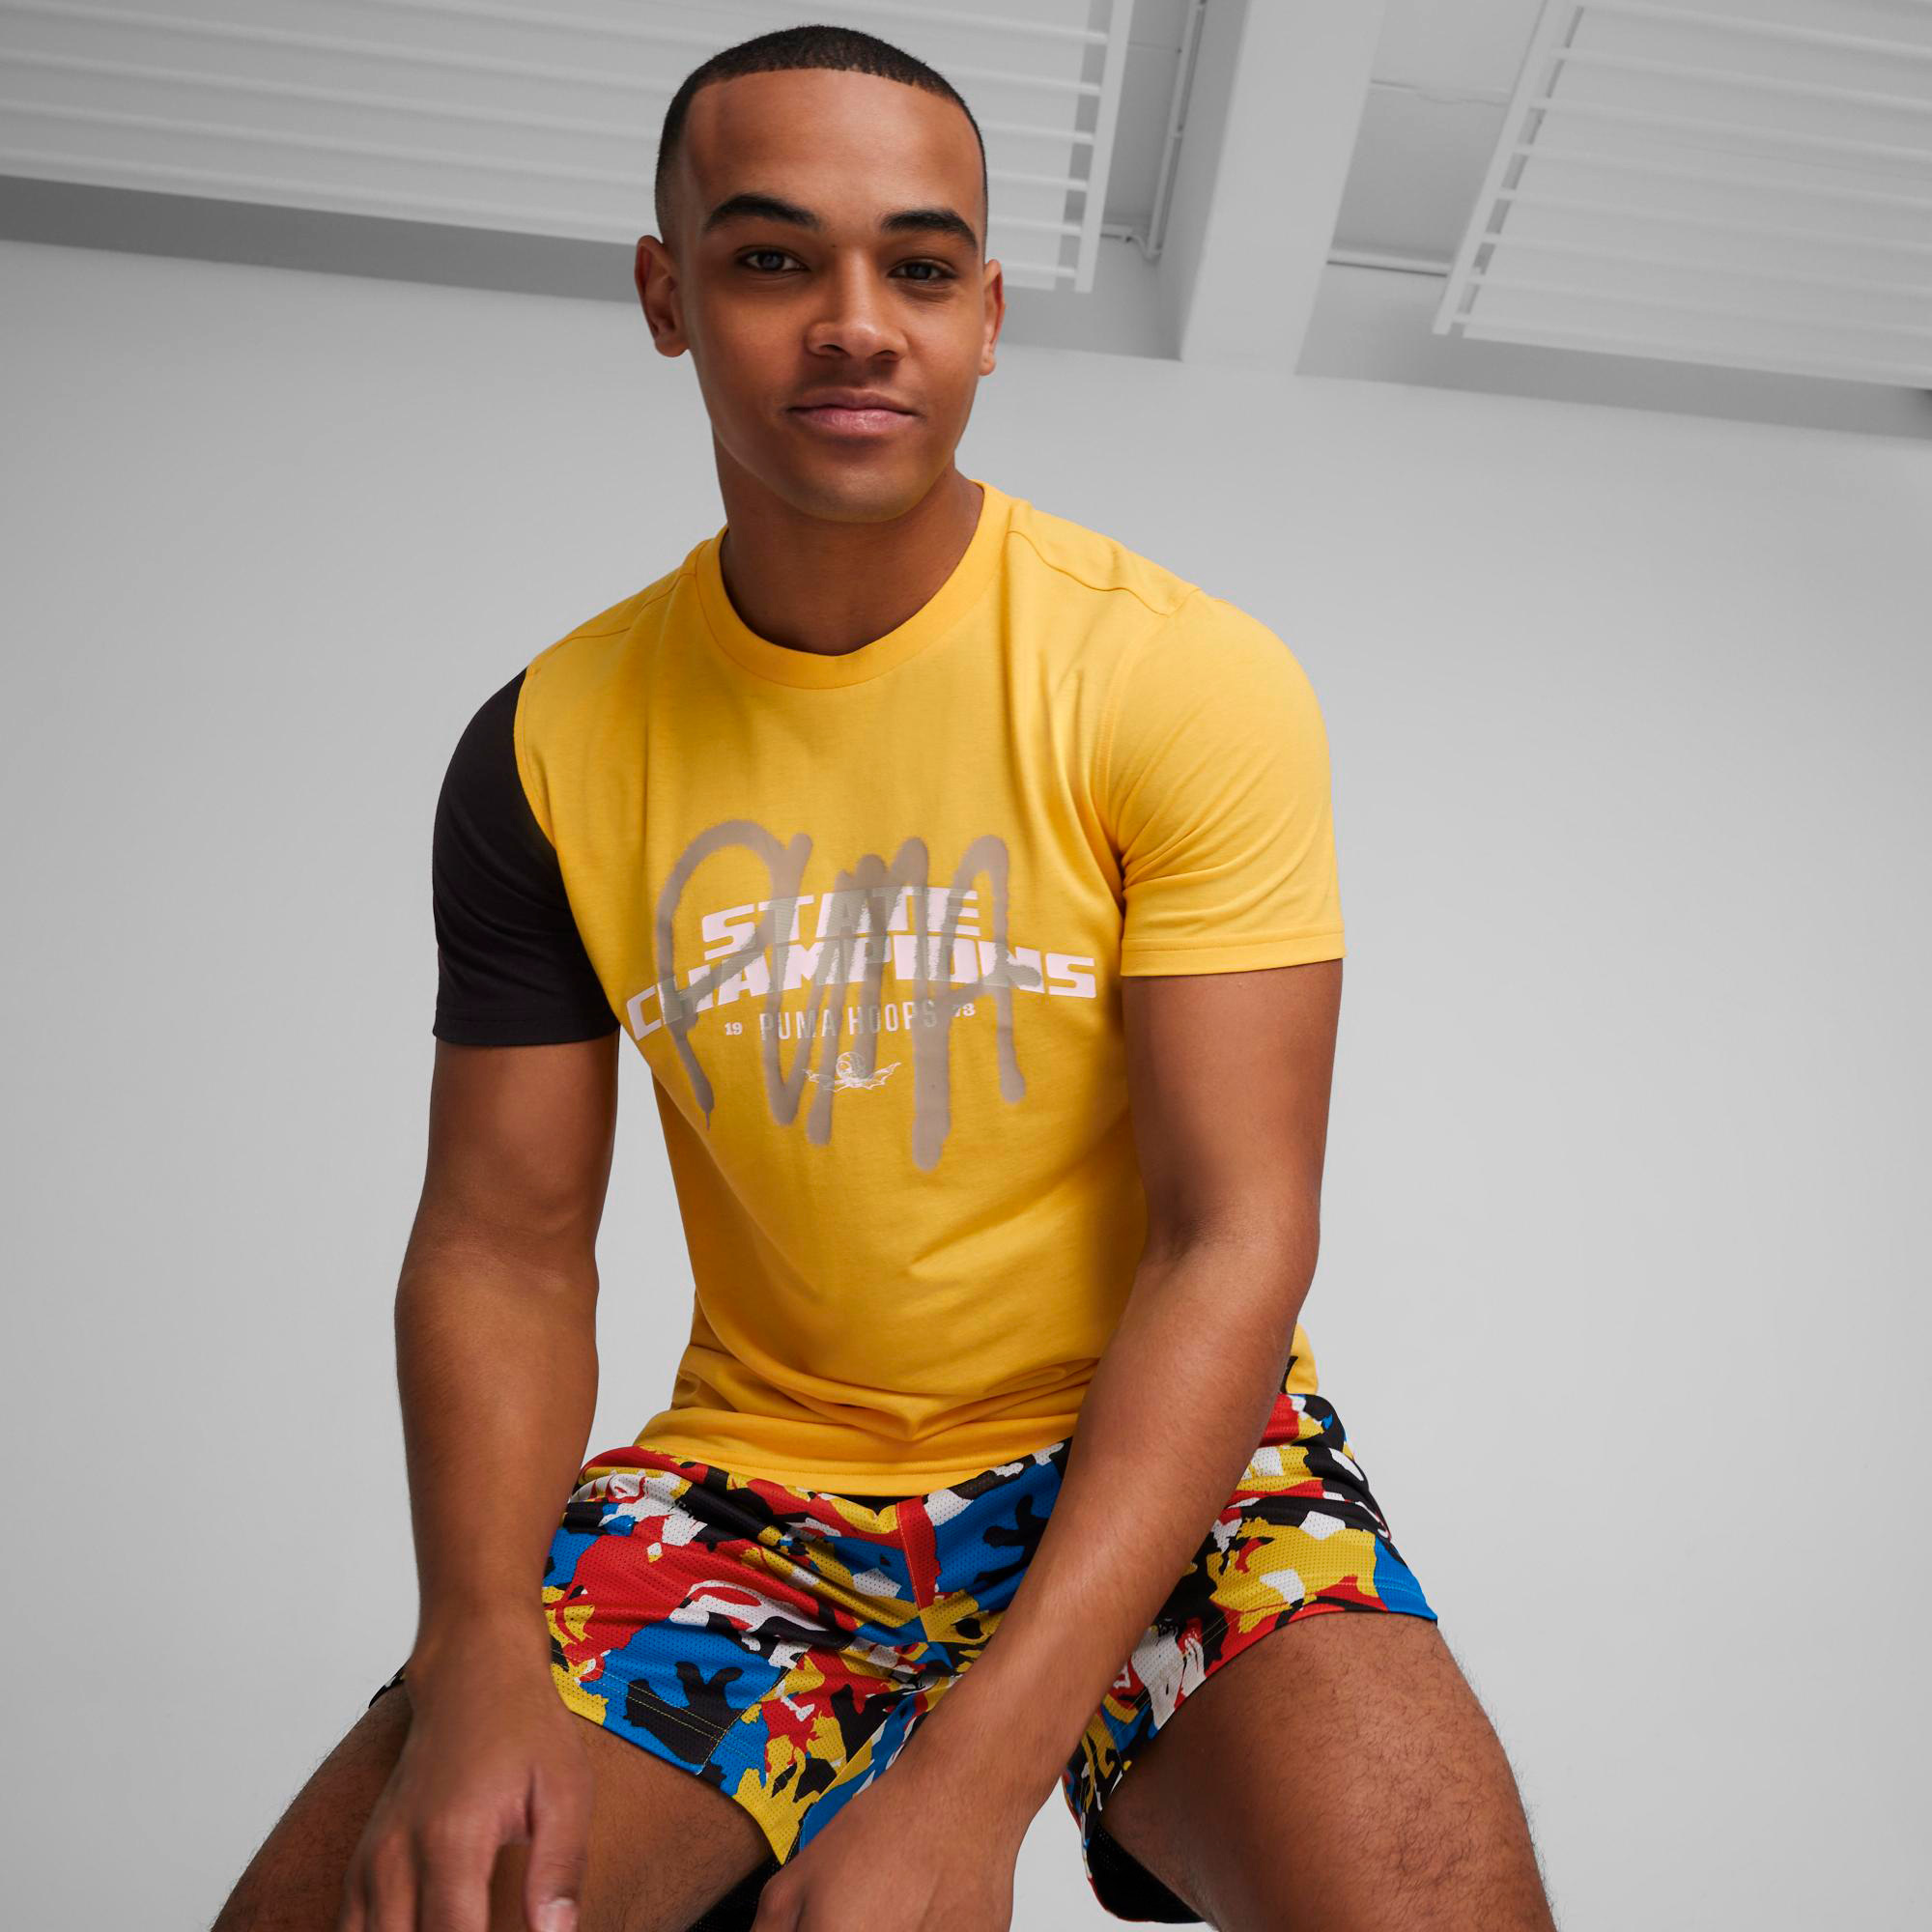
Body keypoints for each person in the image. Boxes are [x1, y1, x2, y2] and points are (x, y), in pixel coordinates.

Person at [213, 23, 1557, 1932]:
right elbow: (503, 1245)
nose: (856, 324)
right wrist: (480, 1646)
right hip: (755, 1500)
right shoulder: (542, 748)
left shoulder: (1179, 678)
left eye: (919, 267)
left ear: (987, 317)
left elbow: (1236, 1237)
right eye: (774, 258)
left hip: (1157, 1456)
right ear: (666, 297)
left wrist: (968, 1786)